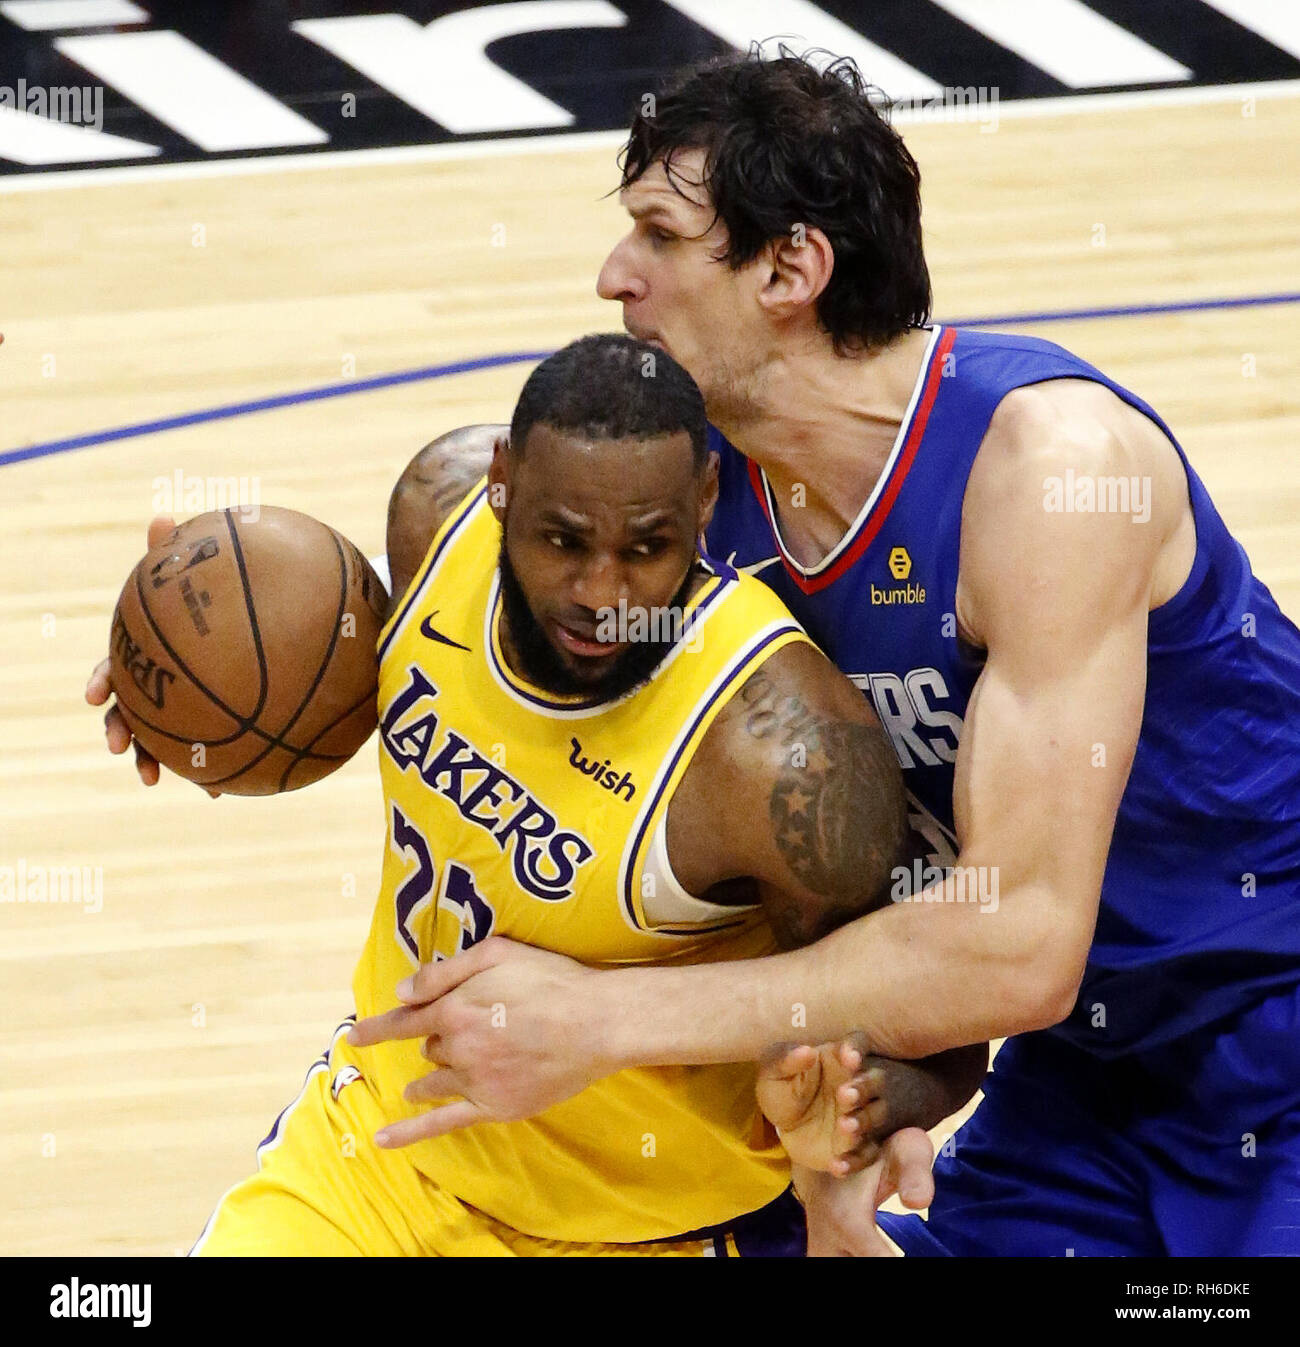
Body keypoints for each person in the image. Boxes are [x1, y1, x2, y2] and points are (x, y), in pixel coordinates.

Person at [348, 53, 1300, 1257]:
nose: (612, 278)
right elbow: (478, 603)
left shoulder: (1050, 472)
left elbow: (1021, 942)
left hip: (1270, 1029)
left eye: (657, 234)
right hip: (1087, 1070)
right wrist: (244, 647)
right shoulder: (697, 492)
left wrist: (599, 1020)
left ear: (791, 269)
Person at [89, 334, 980, 1255]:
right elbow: (332, 670)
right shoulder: (437, 511)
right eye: (562, 540)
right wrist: (181, 674)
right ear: (504, 484)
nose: (601, 591)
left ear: (705, 500)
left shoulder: (785, 759)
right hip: (373, 1163)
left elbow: (944, 1028)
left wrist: (871, 1102)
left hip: (645, 1234)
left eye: (648, 547)